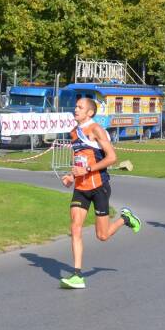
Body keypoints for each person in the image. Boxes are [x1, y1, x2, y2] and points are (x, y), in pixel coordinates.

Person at [60, 97, 142, 289]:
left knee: (102, 236)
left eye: (80, 107)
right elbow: (81, 160)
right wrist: (72, 175)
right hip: (81, 187)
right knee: (75, 227)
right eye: (76, 106)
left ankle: (125, 218)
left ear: (90, 112)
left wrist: (88, 170)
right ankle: (77, 275)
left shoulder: (96, 129)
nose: (75, 109)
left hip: (99, 187)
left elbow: (112, 157)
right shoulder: (74, 132)